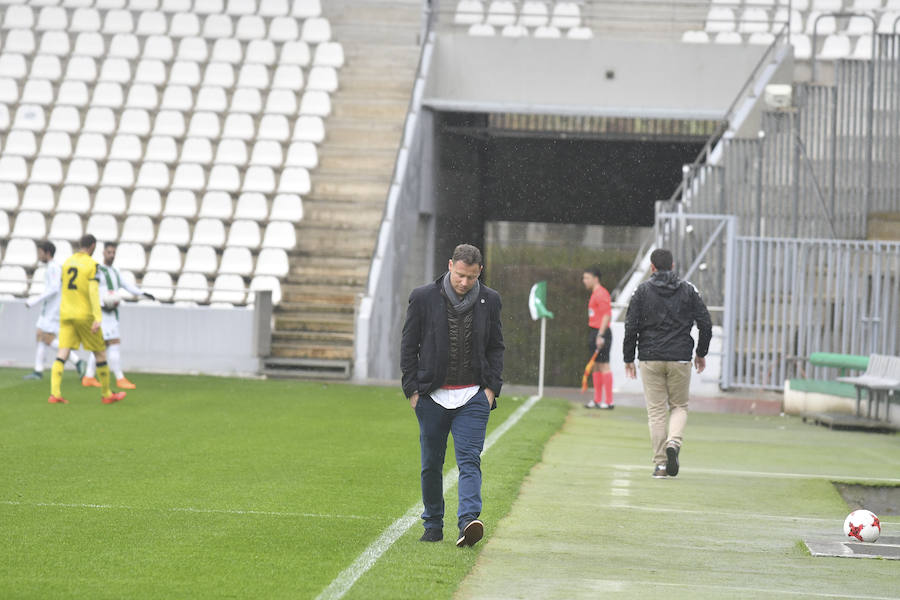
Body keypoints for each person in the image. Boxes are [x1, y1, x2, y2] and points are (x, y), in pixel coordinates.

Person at [400, 244, 504, 547]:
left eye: (471, 277)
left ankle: (467, 522)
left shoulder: (491, 300)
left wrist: (490, 389)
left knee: (469, 460)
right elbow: (409, 346)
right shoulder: (423, 297)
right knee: (431, 463)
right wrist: (412, 391)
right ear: (450, 266)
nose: (464, 282)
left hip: (473, 397)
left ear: (479, 272)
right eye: (459, 275)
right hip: (431, 396)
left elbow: (496, 346)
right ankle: (432, 525)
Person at [622, 248, 712, 479]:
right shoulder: (688, 290)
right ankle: (674, 442)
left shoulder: (641, 291)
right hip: (680, 357)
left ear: (652, 268)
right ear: (673, 266)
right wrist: (701, 353)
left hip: (650, 357)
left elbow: (631, 326)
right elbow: (705, 323)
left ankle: (661, 464)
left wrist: (628, 357)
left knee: (656, 411)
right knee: (679, 406)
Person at [48, 234, 126, 405]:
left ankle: (55, 393)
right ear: (92, 247)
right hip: (84, 315)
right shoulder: (92, 265)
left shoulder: (67, 262)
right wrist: (97, 317)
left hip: (66, 313)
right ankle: (106, 394)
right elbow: (93, 292)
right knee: (100, 352)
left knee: (63, 351)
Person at [81, 242, 154, 390]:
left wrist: (141, 293)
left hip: (112, 313)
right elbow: (91, 289)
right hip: (102, 313)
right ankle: (119, 378)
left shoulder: (115, 271)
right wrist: (99, 304)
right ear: (103, 253)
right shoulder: (98, 270)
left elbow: (126, 285)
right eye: (109, 252)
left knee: (102, 346)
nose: (112, 255)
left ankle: (89, 376)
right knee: (111, 343)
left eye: (114, 253)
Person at [23, 241, 86, 380]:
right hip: (50, 308)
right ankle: (38, 370)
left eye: (40, 253)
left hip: (53, 309)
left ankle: (77, 361)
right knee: (41, 336)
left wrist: (34, 300)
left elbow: (54, 288)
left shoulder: (54, 268)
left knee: (47, 338)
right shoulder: (53, 267)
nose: (39, 256)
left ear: (47, 253)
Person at [582, 265, 613, 409]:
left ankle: (609, 401)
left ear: (596, 279)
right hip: (594, 331)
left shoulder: (602, 293)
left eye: (587, 278)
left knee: (604, 365)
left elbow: (607, 314)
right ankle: (597, 399)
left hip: (601, 332)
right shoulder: (595, 293)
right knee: (595, 366)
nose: (584, 281)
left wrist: (601, 334)